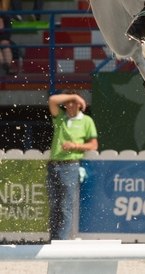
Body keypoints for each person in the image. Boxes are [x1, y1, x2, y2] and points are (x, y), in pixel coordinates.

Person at [46, 92, 98, 241]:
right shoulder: (61, 118)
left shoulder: (86, 121)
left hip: (70, 165)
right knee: (54, 206)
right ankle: (53, 239)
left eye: (73, 103)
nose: (69, 105)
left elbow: (94, 145)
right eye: (68, 102)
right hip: (53, 165)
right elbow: (52, 100)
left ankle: (60, 240)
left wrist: (74, 146)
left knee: (65, 206)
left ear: (80, 106)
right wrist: (74, 96)